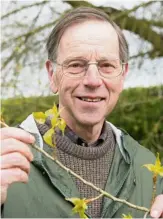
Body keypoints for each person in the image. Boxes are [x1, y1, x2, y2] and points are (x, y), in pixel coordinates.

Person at [1, 7, 163, 218]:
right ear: (52, 75)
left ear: (123, 75)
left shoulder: (147, 170)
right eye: (76, 65)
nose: (93, 81)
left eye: (106, 65)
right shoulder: (8, 160)